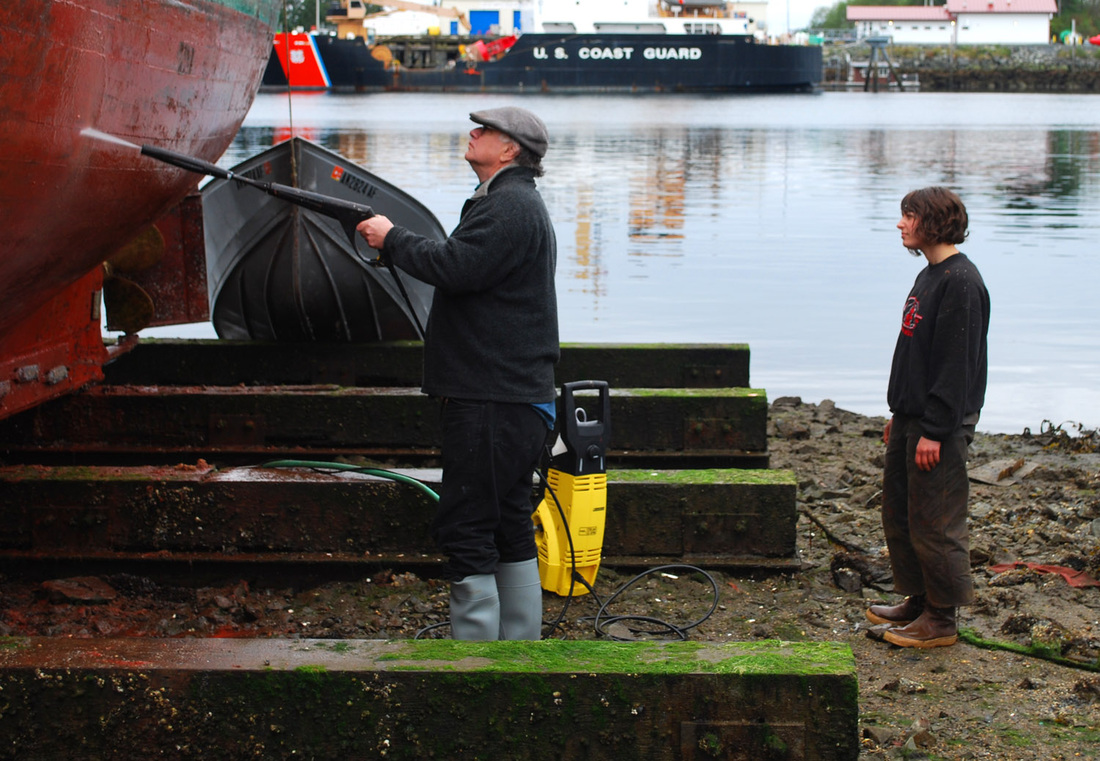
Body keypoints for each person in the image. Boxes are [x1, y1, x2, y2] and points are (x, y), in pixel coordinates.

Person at [357, 107, 558, 641]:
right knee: (509, 520)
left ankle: (475, 664)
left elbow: (454, 266)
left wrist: (391, 237)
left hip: (492, 400)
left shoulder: (510, 205)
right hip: (517, 400)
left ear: (511, 150)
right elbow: (464, 265)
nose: (472, 134)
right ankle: (518, 654)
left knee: (467, 526)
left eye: (484, 130)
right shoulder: (512, 202)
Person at [866, 186, 990, 649]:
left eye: (909, 215)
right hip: (911, 416)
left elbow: (956, 364)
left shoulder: (961, 282)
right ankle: (918, 599)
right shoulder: (930, 276)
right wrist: (899, 413)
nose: (900, 224)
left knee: (936, 521)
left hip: (939, 424)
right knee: (900, 513)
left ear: (933, 222)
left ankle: (941, 620)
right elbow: (915, 355)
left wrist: (936, 429)